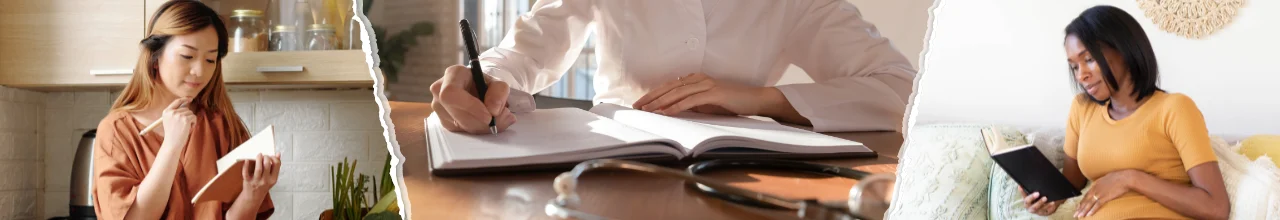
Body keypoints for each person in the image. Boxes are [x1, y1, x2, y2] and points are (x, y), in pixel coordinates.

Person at [430, 0, 916, 134]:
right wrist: (483, 78)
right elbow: (527, 51)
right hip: (611, 162)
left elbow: (901, 89)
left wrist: (764, 100)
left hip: (742, 172)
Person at [1022, 5, 1229, 220]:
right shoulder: (1082, 109)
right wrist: (1048, 198)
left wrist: (1130, 179)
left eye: (1089, 60)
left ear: (1124, 49)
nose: (1081, 75)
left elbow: (1215, 207)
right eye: (1074, 66)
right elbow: (1071, 182)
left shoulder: (1175, 109)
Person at [92, 1, 280, 219]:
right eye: (187, 56)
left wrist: (253, 193)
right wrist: (172, 145)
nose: (200, 70)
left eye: (210, 59)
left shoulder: (223, 125)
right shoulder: (116, 131)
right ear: (155, 58)